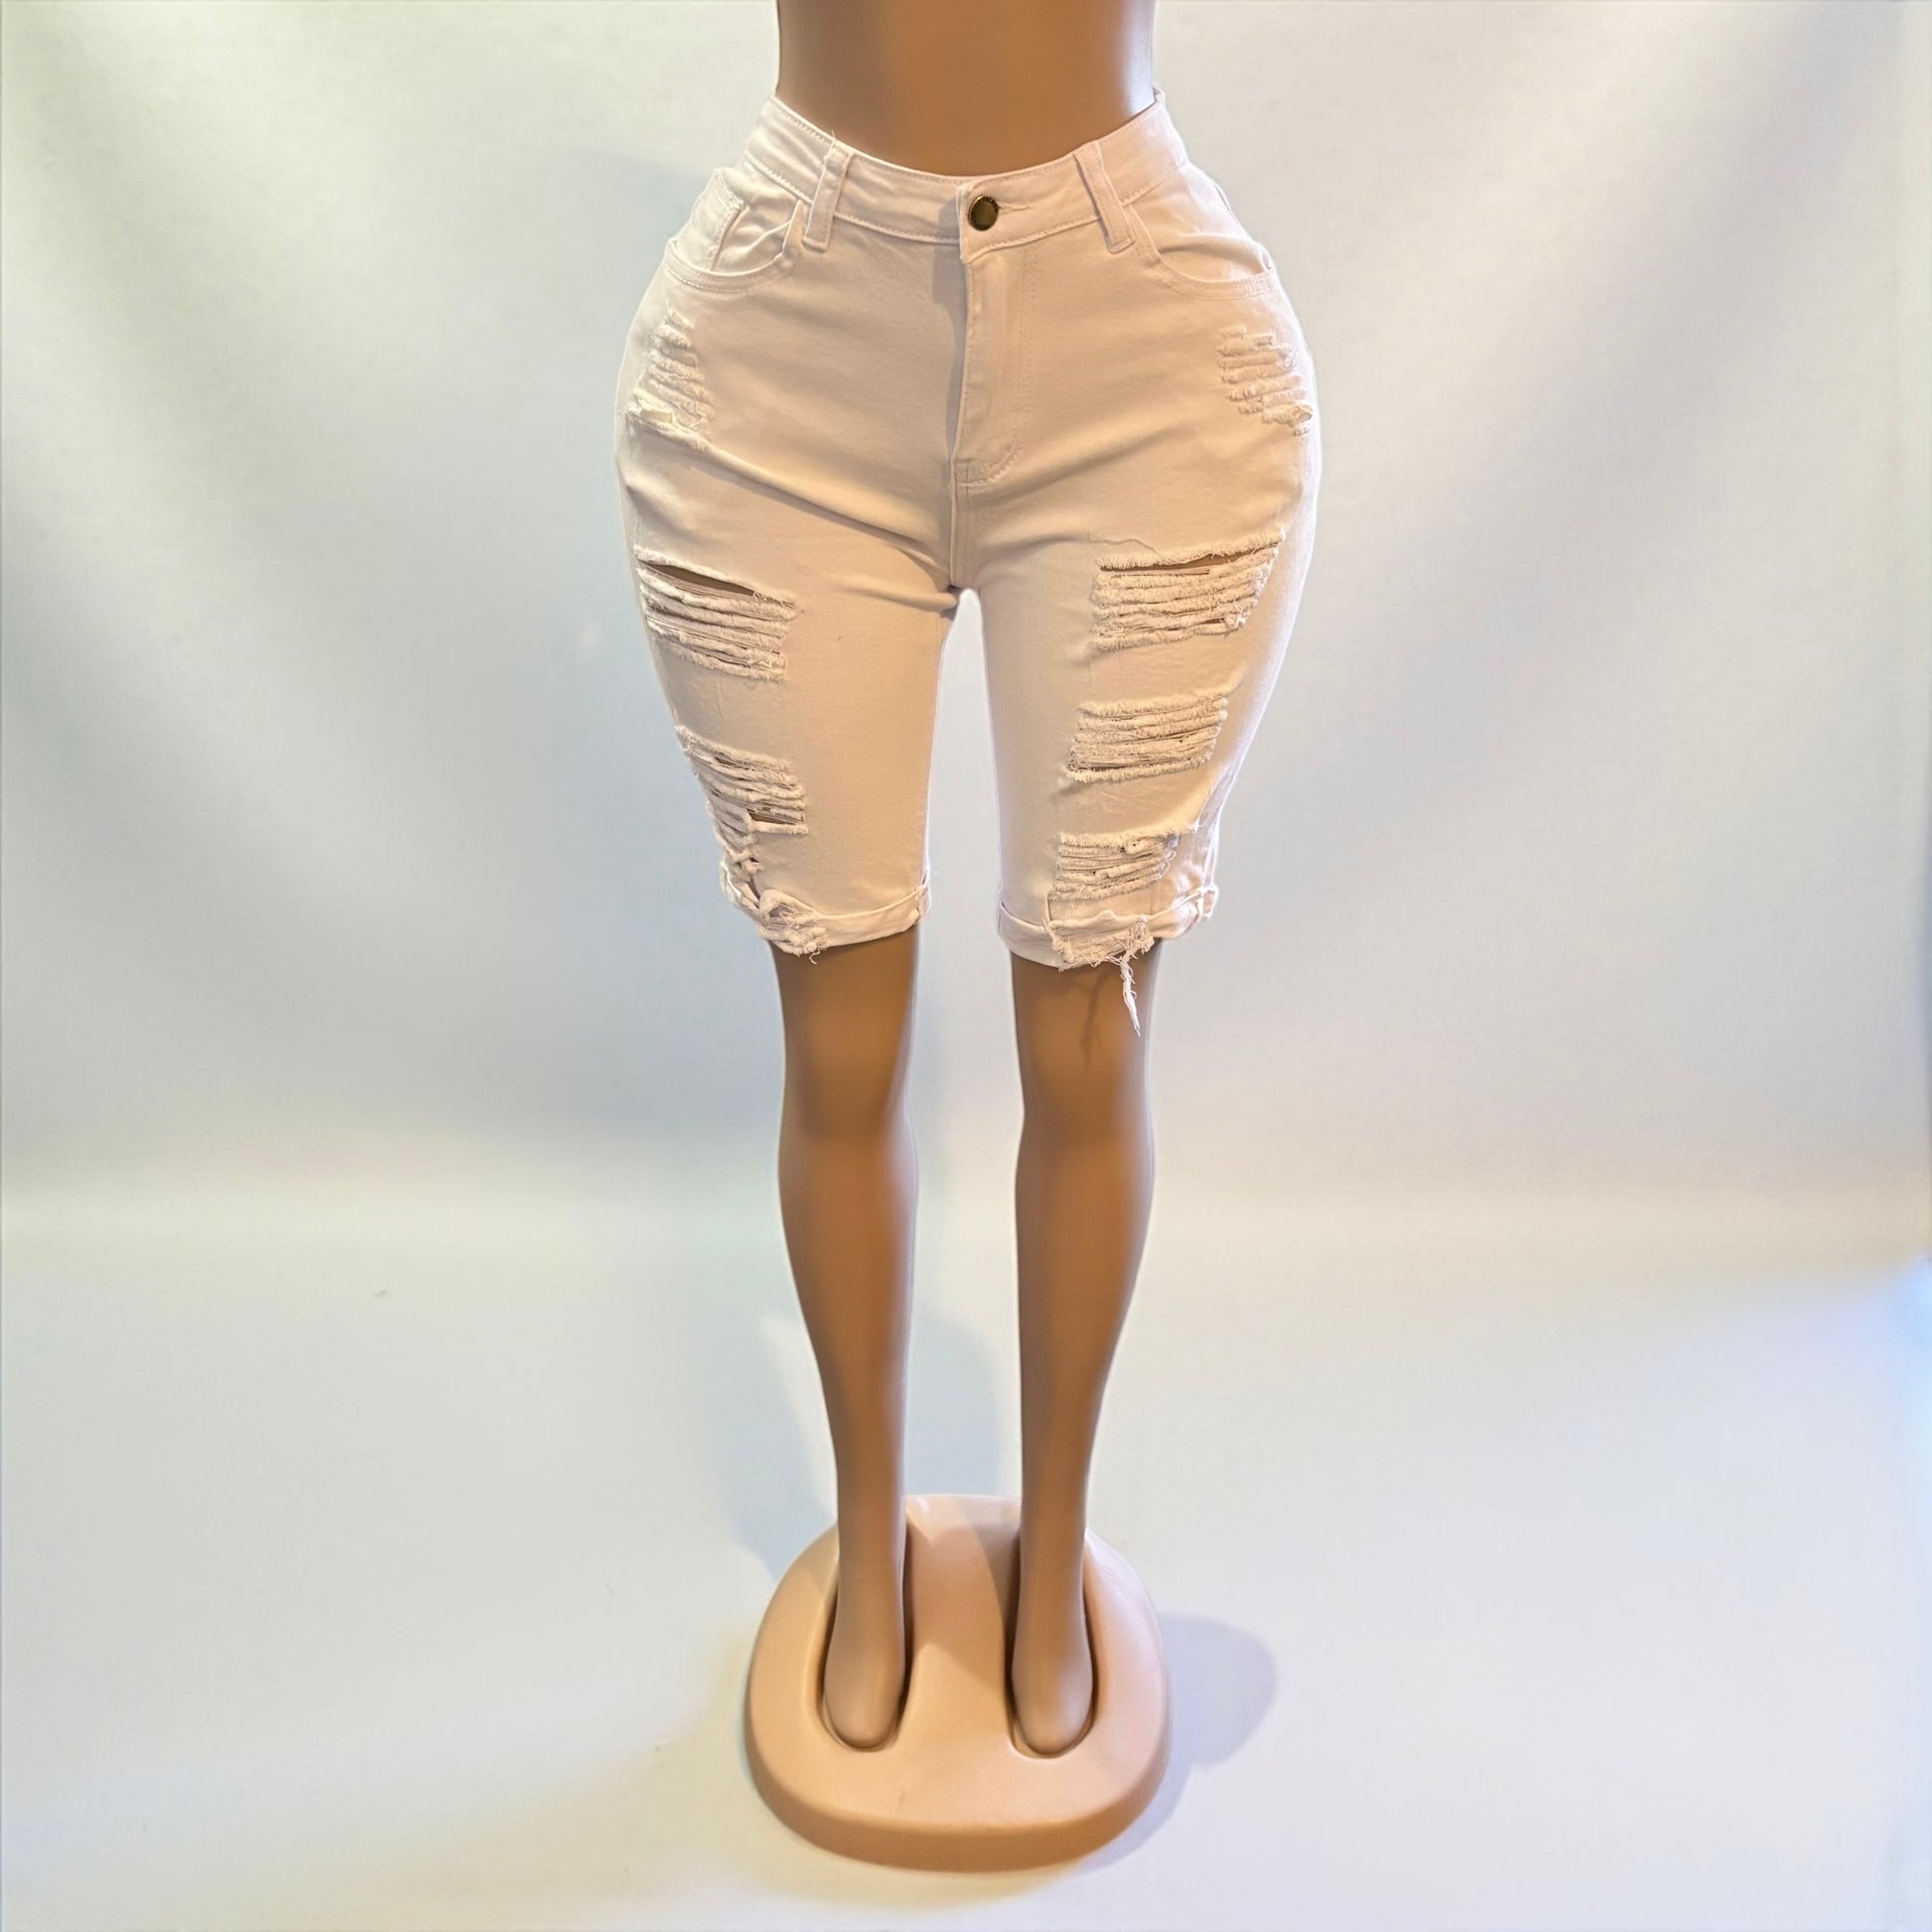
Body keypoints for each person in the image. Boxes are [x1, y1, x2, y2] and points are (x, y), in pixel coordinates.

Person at [613, 0, 1320, 1756]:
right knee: (836, 1036)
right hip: (780, 354)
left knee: (1090, 1030)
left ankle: (1053, 1547)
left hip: (1148, 361)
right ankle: (868, 1546)